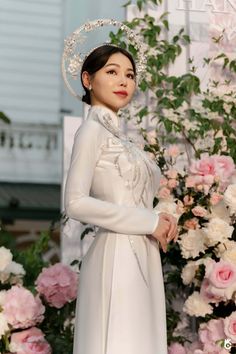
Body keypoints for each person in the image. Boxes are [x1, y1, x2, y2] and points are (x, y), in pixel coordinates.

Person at [64, 41, 178, 354]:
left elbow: (133, 196)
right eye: (112, 71)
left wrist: (163, 218)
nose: (123, 80)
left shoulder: (119, 137)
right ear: (88, 79)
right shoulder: (91, 132)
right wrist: (148, 221)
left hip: (143, 252)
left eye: (129, 74)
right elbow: (74, 202)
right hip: (116, 254)